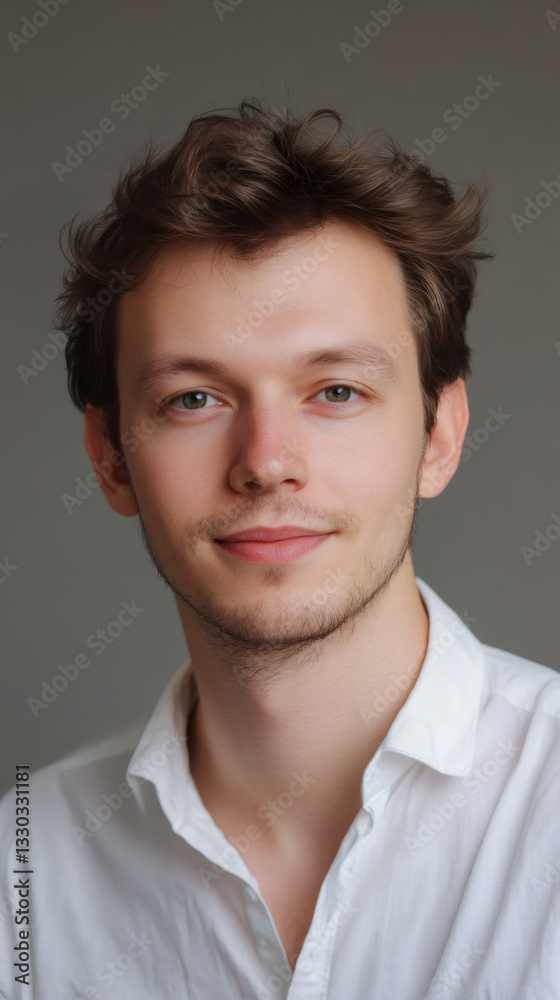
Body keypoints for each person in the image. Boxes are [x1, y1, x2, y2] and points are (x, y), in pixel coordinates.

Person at [1, 99, 558, 1000]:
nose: (265, 464)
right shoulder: (22, 877)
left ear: (440, 435)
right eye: (194, 399)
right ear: (108, 458)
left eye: (335, 390)